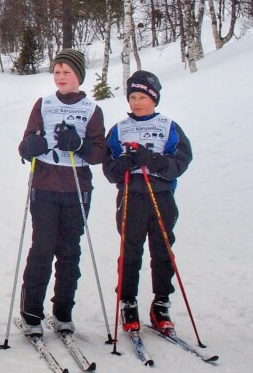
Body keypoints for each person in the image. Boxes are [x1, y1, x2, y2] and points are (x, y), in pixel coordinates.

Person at [16, 49, 107, 336]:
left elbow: (99, 153)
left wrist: (79, 145)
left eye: (66, 71)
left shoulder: (92, 109)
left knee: (69, 251)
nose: (60, 77)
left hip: (76, 189)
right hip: (44, 185)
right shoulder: (43, 104)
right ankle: (31, 313)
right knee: (41, 249)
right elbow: (26, 142)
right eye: (56, 71)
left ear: (78, 75)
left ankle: (63, 311)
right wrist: (31, 147)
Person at [102, 71, 192, 332]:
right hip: (131, 196)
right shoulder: (120, 129)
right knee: (130, 251)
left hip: (162, 195)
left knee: (163, 250)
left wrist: (150, 160)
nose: (137, 102)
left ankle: (161, 303)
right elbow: (109, 170)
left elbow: (181, 162)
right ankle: (127, 301)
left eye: (142, 97)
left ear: (154, 99)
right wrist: (125, 163)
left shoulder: (168, 126)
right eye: (132, 97)